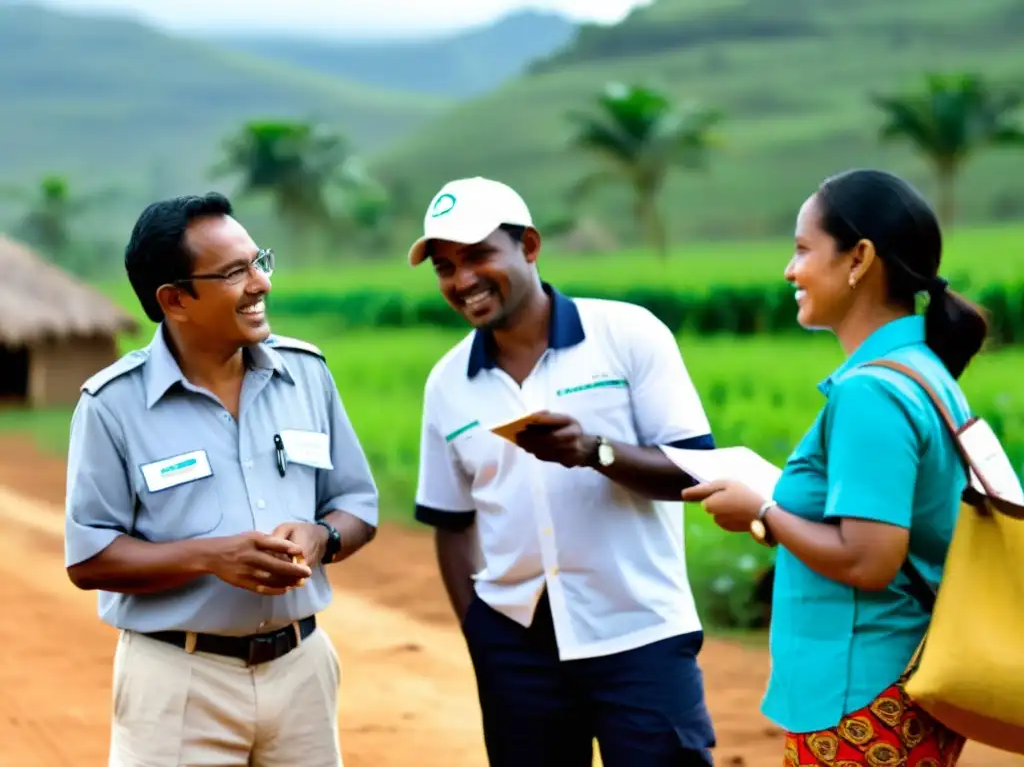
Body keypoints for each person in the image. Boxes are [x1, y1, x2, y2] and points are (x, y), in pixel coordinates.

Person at [409, 176, 718, 766]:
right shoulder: (447, 383)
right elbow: (451, 522)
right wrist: (479, 631)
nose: (462, 279)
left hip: (640, 632)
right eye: (445, 266)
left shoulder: (627, 335)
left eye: (478, 255)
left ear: (528, 246)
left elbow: (694, 472)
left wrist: (596, 451)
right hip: (515, 647)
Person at [683, 168, 988, 765]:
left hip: (862, 696)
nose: (790, 270)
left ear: (860, 258)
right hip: (901, 682)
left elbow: (869, 559)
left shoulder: (870, 393)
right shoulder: (923, 370)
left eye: (802, 249)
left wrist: (763, 511)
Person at [63, 192, 379, 767]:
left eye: (260, 262)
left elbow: (355, 504)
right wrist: (211, 557)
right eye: (235, 272)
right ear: (175, 299)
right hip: (177, 681)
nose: (261, 284)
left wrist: (321, 537)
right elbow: (90, 560)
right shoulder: (113, 405)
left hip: (302, 669)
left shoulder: (306, 376)